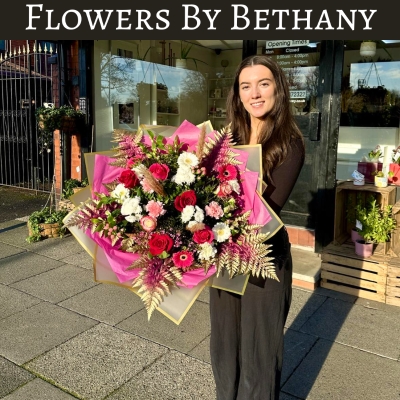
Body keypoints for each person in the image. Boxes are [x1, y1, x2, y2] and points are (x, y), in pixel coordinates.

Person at [209, 54, 305, 400]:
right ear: (237, 94)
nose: (255, 93)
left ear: (278, 89)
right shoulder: (226, 140)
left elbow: (265, 210)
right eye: (246, 86)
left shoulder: (289, 143)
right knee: (224, 347)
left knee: (258, 354)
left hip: (265, 258)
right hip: (225, 254)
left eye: (263, 84)